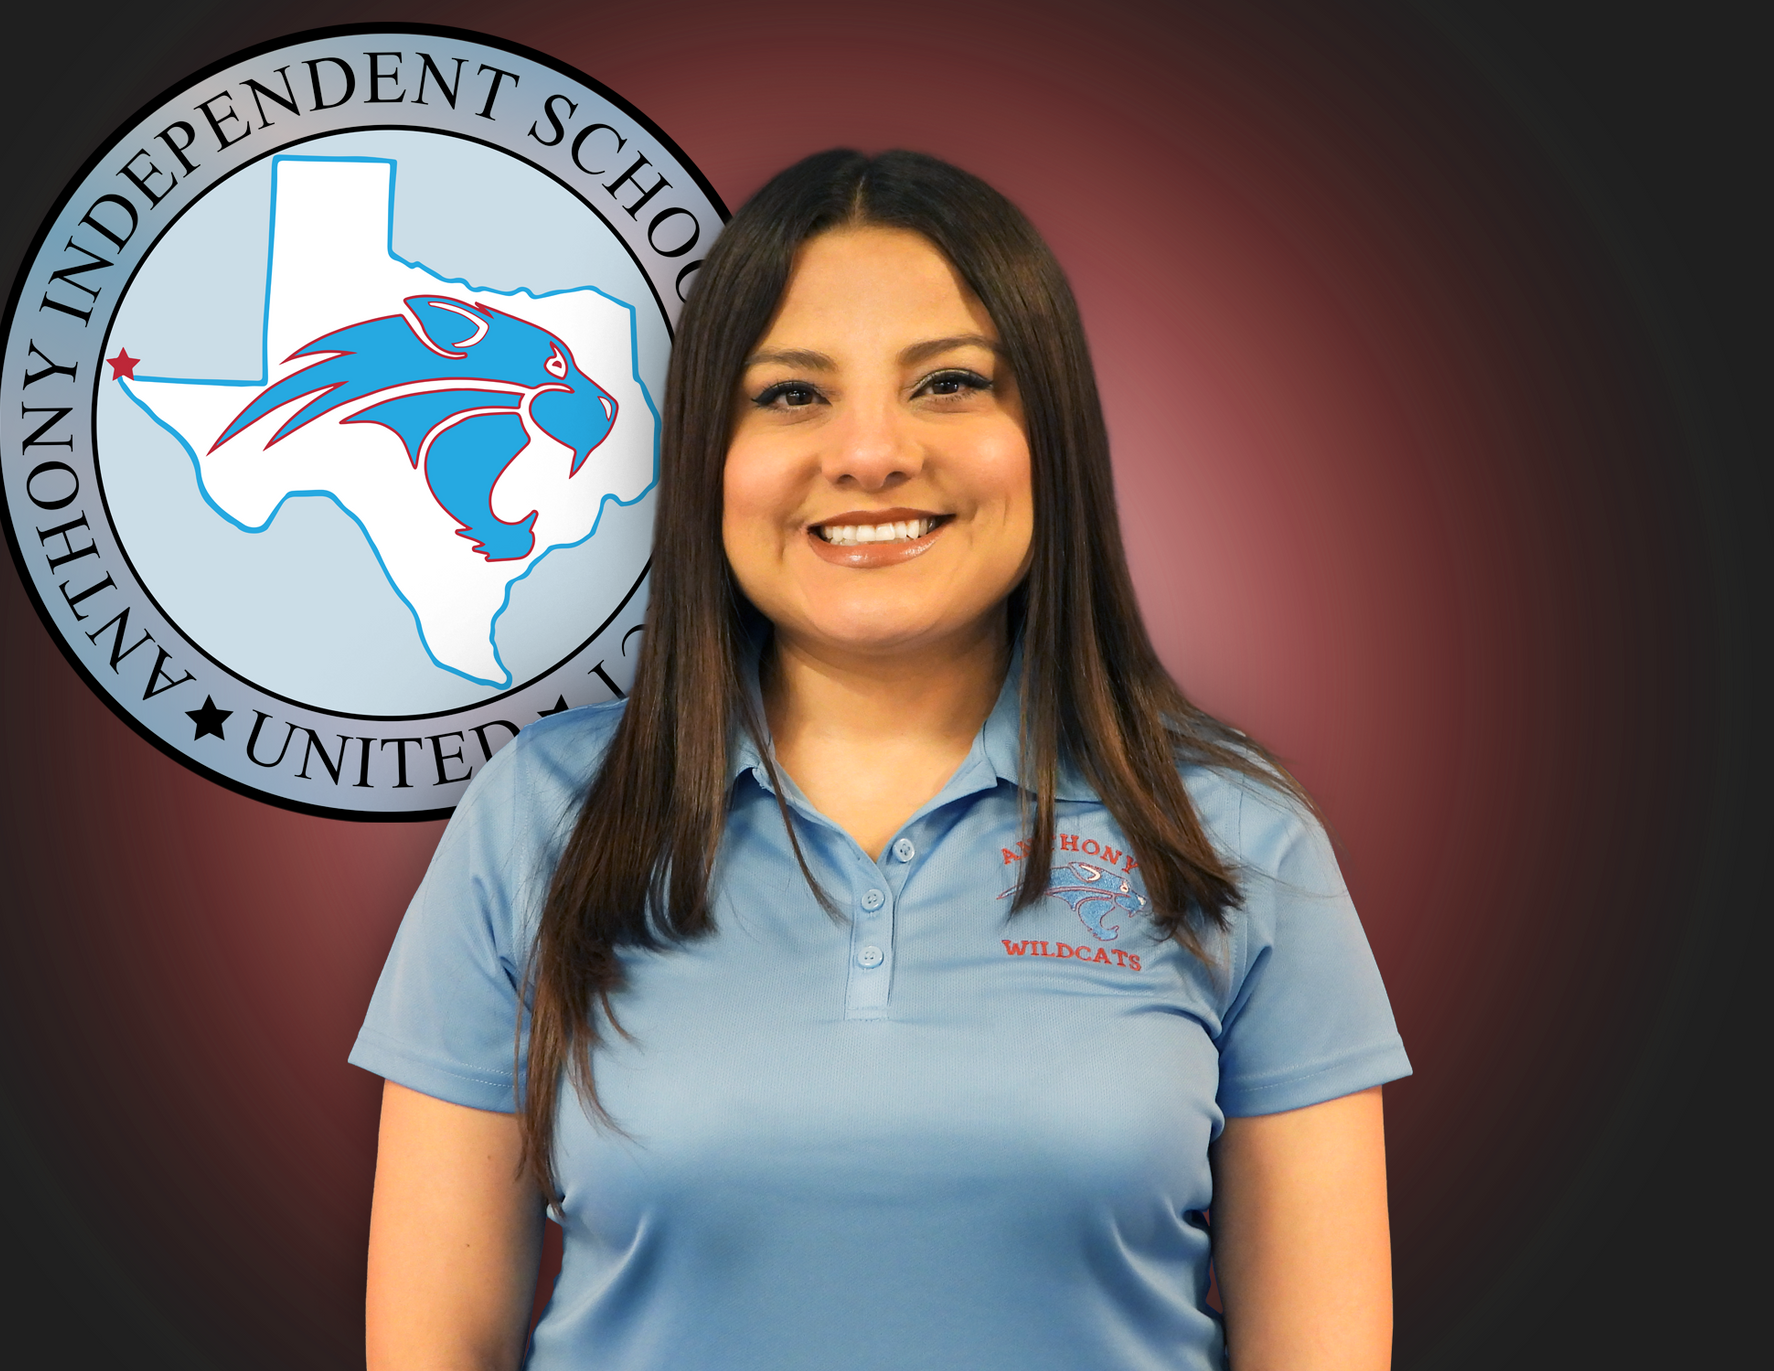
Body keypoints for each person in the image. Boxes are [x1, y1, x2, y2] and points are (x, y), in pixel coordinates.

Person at [351, 149, 1410, 1371]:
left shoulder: (1234, 837)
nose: (870, 454)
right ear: (710, 457)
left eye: (949, 383)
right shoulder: (535, 820)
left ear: (1048, 439)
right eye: (793, 394)